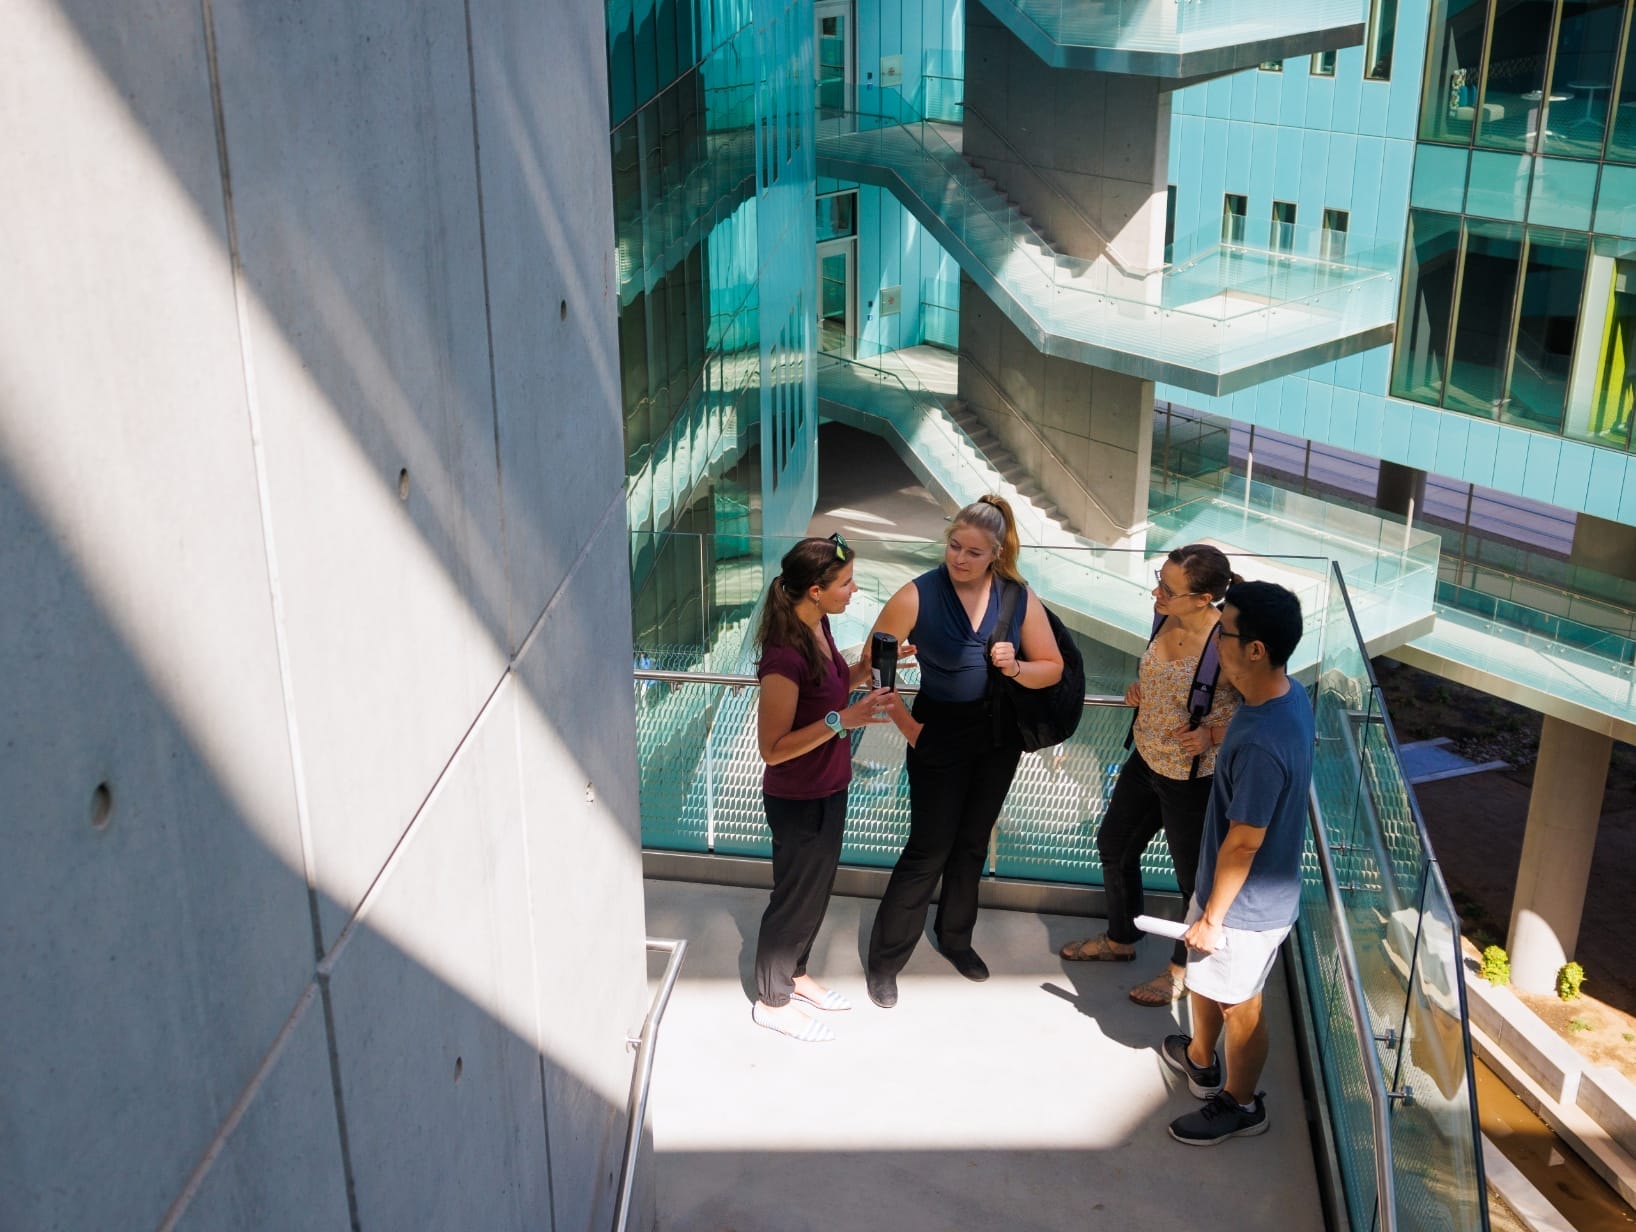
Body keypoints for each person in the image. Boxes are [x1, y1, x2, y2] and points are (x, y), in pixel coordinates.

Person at [864, 495, 1064, 1009]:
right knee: (929, 848)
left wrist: (1015, 667)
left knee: (973, 843)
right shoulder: (917, 595)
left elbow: (1053, 667)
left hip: (996, 739)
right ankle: (885, 961)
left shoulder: (1017, 597)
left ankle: (955, 939)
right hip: (938, 731)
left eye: (974, 552)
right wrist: (910, 726)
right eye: (954, 546)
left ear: (996, 553)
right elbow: (874, 661)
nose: (959, 558)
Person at [1158, 580, 1313, 1145]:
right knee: (1207, 983)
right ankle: (1202, 1060)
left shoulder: (1263, 744)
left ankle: (1242, 1104)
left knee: (1238, 1004)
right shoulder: (1280, 698)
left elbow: (1245, 843)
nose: (1213, 641)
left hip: (1243, 907)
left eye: (1224, 633)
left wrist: (1213, 917)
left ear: (1255, 650)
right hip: (1228, 894)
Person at [1059, 545, 1242, 1008]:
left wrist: (1212, 734)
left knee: (1191, 881)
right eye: (1158, 580)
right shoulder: (1163, 616)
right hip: (1144, 761)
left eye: (1168, 588)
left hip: (1192, 779)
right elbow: (1161, 677)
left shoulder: (1229, 644)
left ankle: (1181, 971)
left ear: (1203, 599)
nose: (1157, 593)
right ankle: (1121, 940)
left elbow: (1263, 711)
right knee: (1114, 846)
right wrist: (1141, 689)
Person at [751, 533, 896, 1042]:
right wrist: (843, 720)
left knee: (814, 894)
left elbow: (835, 685)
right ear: (815, 589)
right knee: (793, 897)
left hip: (830, 786)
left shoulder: (820, 626)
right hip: (798, 798)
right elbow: (773, 747)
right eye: (846, 582)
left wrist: (871, 669)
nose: (853, 590)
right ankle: (772, 999)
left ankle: (794, 974)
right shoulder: (783, 658)